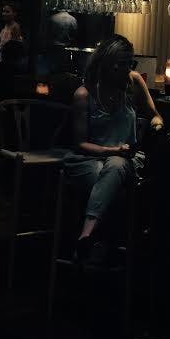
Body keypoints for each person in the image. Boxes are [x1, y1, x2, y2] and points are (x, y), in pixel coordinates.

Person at [64, 34, 163, 265]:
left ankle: (86, 236)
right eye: (122, 64)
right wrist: (112, 150)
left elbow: (154, 114)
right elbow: (80, 143)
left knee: (116, 167)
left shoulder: (133, 81)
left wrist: (156, 123)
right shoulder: (84, 94)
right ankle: (108, 246)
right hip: (89, 157)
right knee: (108, 176)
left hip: (127, 158)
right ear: (107, 64)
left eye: (130, 63)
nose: (128, 69)